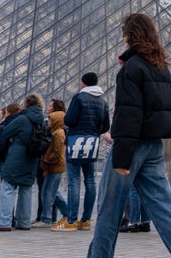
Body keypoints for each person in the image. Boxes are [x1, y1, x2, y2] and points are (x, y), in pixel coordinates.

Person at [87, 13, 171, 258]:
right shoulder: (161, 68)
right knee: (167, 213)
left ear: (130, 36)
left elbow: (129, 114)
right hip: (154, 148)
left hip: (131, 147)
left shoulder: (132, 68)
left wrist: (122, 159)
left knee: (108, 213)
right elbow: (165, 110)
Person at [55, 73, 110, 232]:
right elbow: (105, 126)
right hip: (92, 142)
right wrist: (93, 131)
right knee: (90, 181)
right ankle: (85, 220)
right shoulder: (102, 101)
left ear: (84, 83)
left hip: (76, 141)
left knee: (73, 180)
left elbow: (69, 120)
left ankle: (71, 220)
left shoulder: (79, 98)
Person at [0, 93, 45, 231]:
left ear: (26, 104)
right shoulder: (41, 120)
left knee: (8, 187)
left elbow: (4, 132)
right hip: (32, 158)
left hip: (16, 156)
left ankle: (5, 222)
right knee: (26, 189)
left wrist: (13, 138)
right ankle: (24, 222)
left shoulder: (22, 119)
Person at [33, 106, 68, 227]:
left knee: (48, 193)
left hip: (55, 166)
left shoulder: (58, 134)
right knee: (52, 193)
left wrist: (45, 161)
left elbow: (56, 153)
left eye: (50, 120)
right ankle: (67, 213)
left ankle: (46, 218)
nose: (48, 122)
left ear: (57, 121)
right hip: (53, 166)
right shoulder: (56, 132)